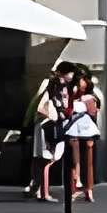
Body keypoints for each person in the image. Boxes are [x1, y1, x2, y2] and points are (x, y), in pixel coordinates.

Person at [63, 66, 102, 203]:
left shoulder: (90, 98)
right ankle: (75, 187)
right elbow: (68, 112)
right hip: (73, 130)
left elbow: (93, 115)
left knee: (88, 162)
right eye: (79, 80)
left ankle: (88, 188)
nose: (81, 83)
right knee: (74, 161)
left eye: (83, 80)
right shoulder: (72, 95)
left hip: (87, 131)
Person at [30, 69, 67, 201]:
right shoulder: (49, 95)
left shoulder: (53, 95)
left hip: (47, 127)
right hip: (47, 128)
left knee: (46, 160)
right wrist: (52, 116)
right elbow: (40, 108)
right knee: (47, 159)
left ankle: (41, 191)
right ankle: (43, 192)